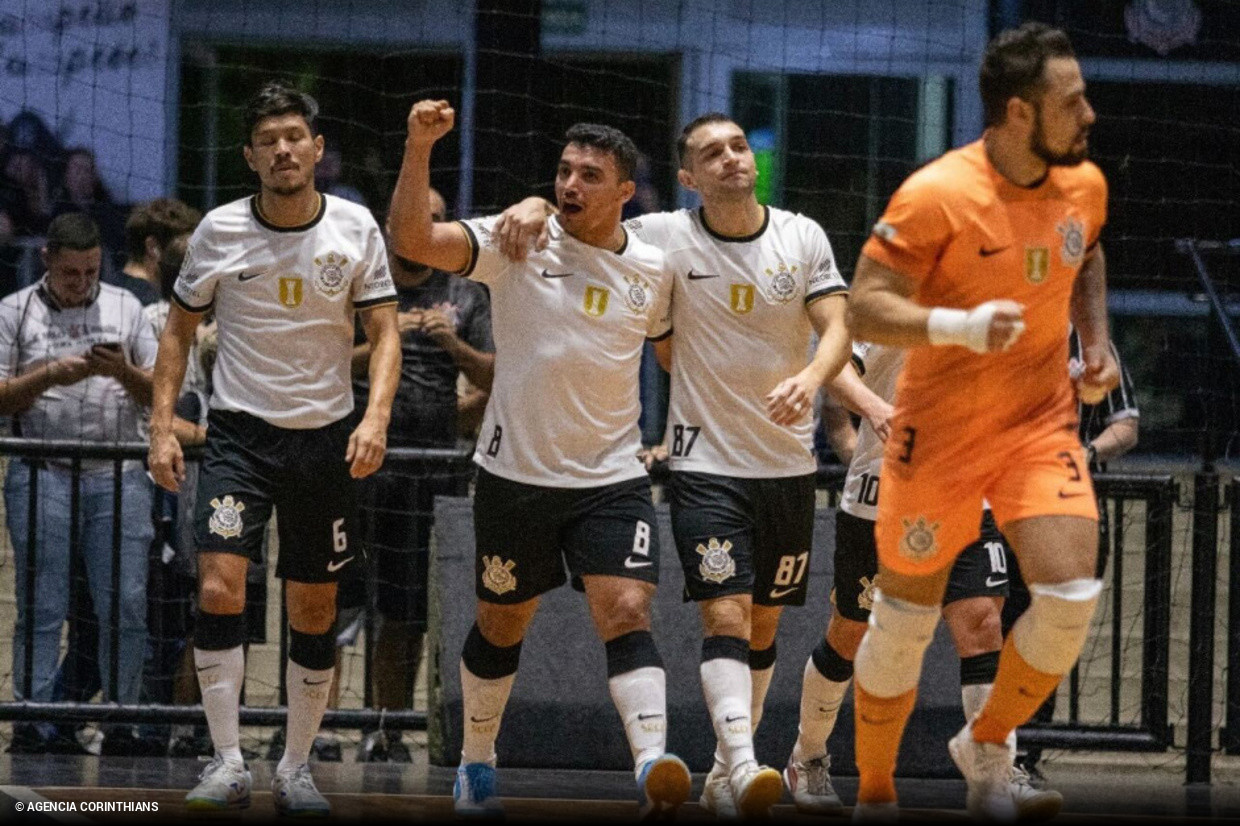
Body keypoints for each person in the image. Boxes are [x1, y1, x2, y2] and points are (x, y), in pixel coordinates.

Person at [495, 111, 854, 818]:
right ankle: (749, 764)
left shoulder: (801, 234)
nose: (731, 158)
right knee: (724, 611)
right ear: (688, 178)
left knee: (763, 626)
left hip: (787, 464)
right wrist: (536, 203)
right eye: (710, 153)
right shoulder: (664, 236)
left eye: (738, 146)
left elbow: (839, 326)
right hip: (705, 462)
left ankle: (726, 767)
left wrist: (810, 383)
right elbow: (585, 223)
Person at [844, 22, 1118, 820]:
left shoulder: (1085, 186)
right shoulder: (936, 194)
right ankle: (874, 791)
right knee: (903, 621)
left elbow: (1088, 254)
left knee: (1068, 596)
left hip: (1040, 424)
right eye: (1072, 101)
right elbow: (867, 302)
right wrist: (956, 327)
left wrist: (1096, 343)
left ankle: (988, 740)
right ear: (1020, 113)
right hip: (939, 432)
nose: (1090, 114)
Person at [390, 100, 689, 819]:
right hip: (514, 476)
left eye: (590, 173)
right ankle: (476, 762)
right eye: (562, 171)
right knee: (503, 622)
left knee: (625, 607)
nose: (570, 184)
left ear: (626, 191)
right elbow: (409, 237)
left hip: (610, 476)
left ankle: (652, 763)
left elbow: (676, 357)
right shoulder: (515, 239)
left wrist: (687, 436)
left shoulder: (653, 268)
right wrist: (419, 145)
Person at [147, 81, 400, 816]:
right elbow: (176, 332)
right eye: (269, 140)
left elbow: (384, 332)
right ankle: (227, 761)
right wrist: (163, 426)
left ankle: (294, 768)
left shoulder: (355, 227)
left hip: (325, 439)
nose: (284, 149)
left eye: (296, 136)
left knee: (314, 608)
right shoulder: (218, 231)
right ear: (251, 156)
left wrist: (374, 417)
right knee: (220, 586)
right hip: (239, 435)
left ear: (318, 150)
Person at [790, 343, 1063, 820]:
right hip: (881, 503)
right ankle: (807, 756)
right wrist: (875, 407)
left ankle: (995, 774)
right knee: (850, 635)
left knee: (982, 624)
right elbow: (834, 370)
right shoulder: (888, 297)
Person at [345, 186, 494, 762]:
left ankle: (387, 729)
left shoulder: (465, 292)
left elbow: (494, 377)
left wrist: (450, 343)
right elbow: (326, 360)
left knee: (407, 609)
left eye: (435, 222)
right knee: (337, 601)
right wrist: (390, 334)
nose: (422, 231)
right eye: (414, 221)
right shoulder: (362, 284)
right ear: (392, 225)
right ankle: (316, 729)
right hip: (358, 458)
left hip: (431, 468)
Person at [0, 212, 158, 752]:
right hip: (40, 470)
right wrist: (48, 374)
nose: (82, 282)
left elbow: (160, 392)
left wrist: (120, 371)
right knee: (41, 603)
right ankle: (34, 721)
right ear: (46, 260)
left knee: (126, 603)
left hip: (119, 474)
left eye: (91, 271)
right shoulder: (12, 311)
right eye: (71, 273)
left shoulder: (126, 306)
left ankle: (122, 722)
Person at [1005, 330, 1139, 784]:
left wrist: (1086, 451)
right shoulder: (998, 327)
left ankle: (1025, 750)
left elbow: (1126, 424)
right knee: (988, 624)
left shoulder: (1092, 345)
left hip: (1065, 508)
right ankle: (988, 746)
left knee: (1049, 631)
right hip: (997, 503)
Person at [116, 198, 203, 306]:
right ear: (152, 247)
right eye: (182, 250)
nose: (190, 259)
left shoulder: (109, 288)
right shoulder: (153, 305)